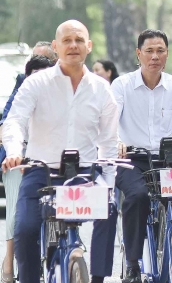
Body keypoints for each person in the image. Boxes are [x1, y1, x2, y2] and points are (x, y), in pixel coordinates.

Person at [1, 20, 119, 283]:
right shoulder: (36, 84)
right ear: (56, 47)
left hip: (85, 172)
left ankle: (96, 277)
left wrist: (108, 183)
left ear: (89, 45)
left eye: (79, 40)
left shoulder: (102, 90)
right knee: (25, 229)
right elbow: (15, 121)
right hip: (40, 171)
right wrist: (13, 150)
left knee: (109, 210)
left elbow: (109, 142)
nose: (73, 45)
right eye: (67, 41)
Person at [110, 29, 172, 283]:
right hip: (132, 159)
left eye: (160, 50)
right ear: (138, 54)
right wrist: (115, 140)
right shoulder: (122, 85)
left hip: (169, 160)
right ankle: (132, 263)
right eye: (149, 51)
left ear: (167, 54)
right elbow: (109, 120)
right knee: (137, 197)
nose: (154, 56)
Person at [0, 55, 54, 283]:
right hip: (20, 160)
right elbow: (9, 124)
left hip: (54, 162)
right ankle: (9, 261)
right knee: (16, 213)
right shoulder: (21, 95)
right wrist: (14, 152)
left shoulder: (63, 96)